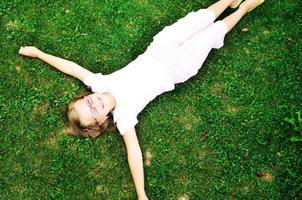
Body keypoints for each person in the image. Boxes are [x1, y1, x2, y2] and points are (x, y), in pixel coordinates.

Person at [19, 0, 265, 199]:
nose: (95, 104)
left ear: (88, 94)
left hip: (161, 46)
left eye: (89, 101)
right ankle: (243, 9)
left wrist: (38, 53)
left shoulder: (100, 82)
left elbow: (71, 67)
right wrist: (141, 195)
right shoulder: (124, 116)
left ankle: (228, 1)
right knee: (211, 34)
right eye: (93, 112)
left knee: (199, 19)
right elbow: (133, 153)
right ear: (102, 121)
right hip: (179, 67)